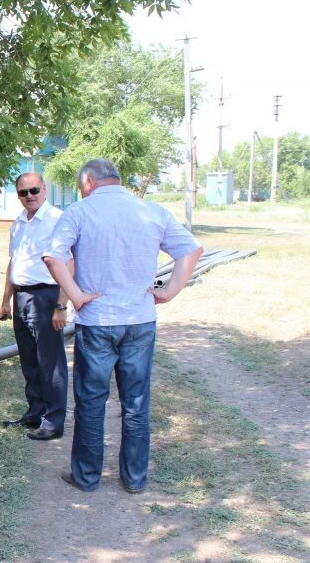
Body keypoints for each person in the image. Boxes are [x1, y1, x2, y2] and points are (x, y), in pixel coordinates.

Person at [43, 159, 202, 494]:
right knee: (136, 403)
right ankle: (134, 478)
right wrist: (169, 291)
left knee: (91, 403)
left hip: (98, 322)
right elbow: (191, 249)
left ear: (88, 181)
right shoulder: (151, 211)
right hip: (140, 320)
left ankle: (86, 477)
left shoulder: (79, 211)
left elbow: (53, 257)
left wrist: (76, 296)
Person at [0, 172, 71, 441]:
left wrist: (61, 305)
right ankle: (35, 413)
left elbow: (69, 264)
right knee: (29, 361)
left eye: (34, 190)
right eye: (23, 192)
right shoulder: (18, 223)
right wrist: (6, 300)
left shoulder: (58, 220)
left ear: (44, 189)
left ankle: (53, 422)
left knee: (50, 362)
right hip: (21, 297)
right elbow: (13, 262)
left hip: (46, 297)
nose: (29, 196)